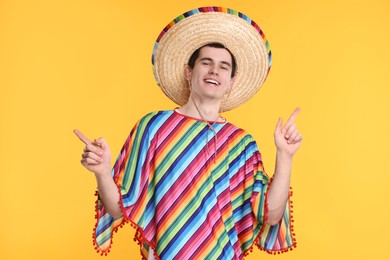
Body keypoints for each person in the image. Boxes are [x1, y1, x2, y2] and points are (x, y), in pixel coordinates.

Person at [74, 6, 302, 260]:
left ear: (231, 82)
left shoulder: (241, 144)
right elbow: (117, 208)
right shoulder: (154, 128)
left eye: (224, 67)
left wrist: (285, 156)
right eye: (207, 63)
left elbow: (270, 215)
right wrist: (104, 172)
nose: (215, 71)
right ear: (188, 71)